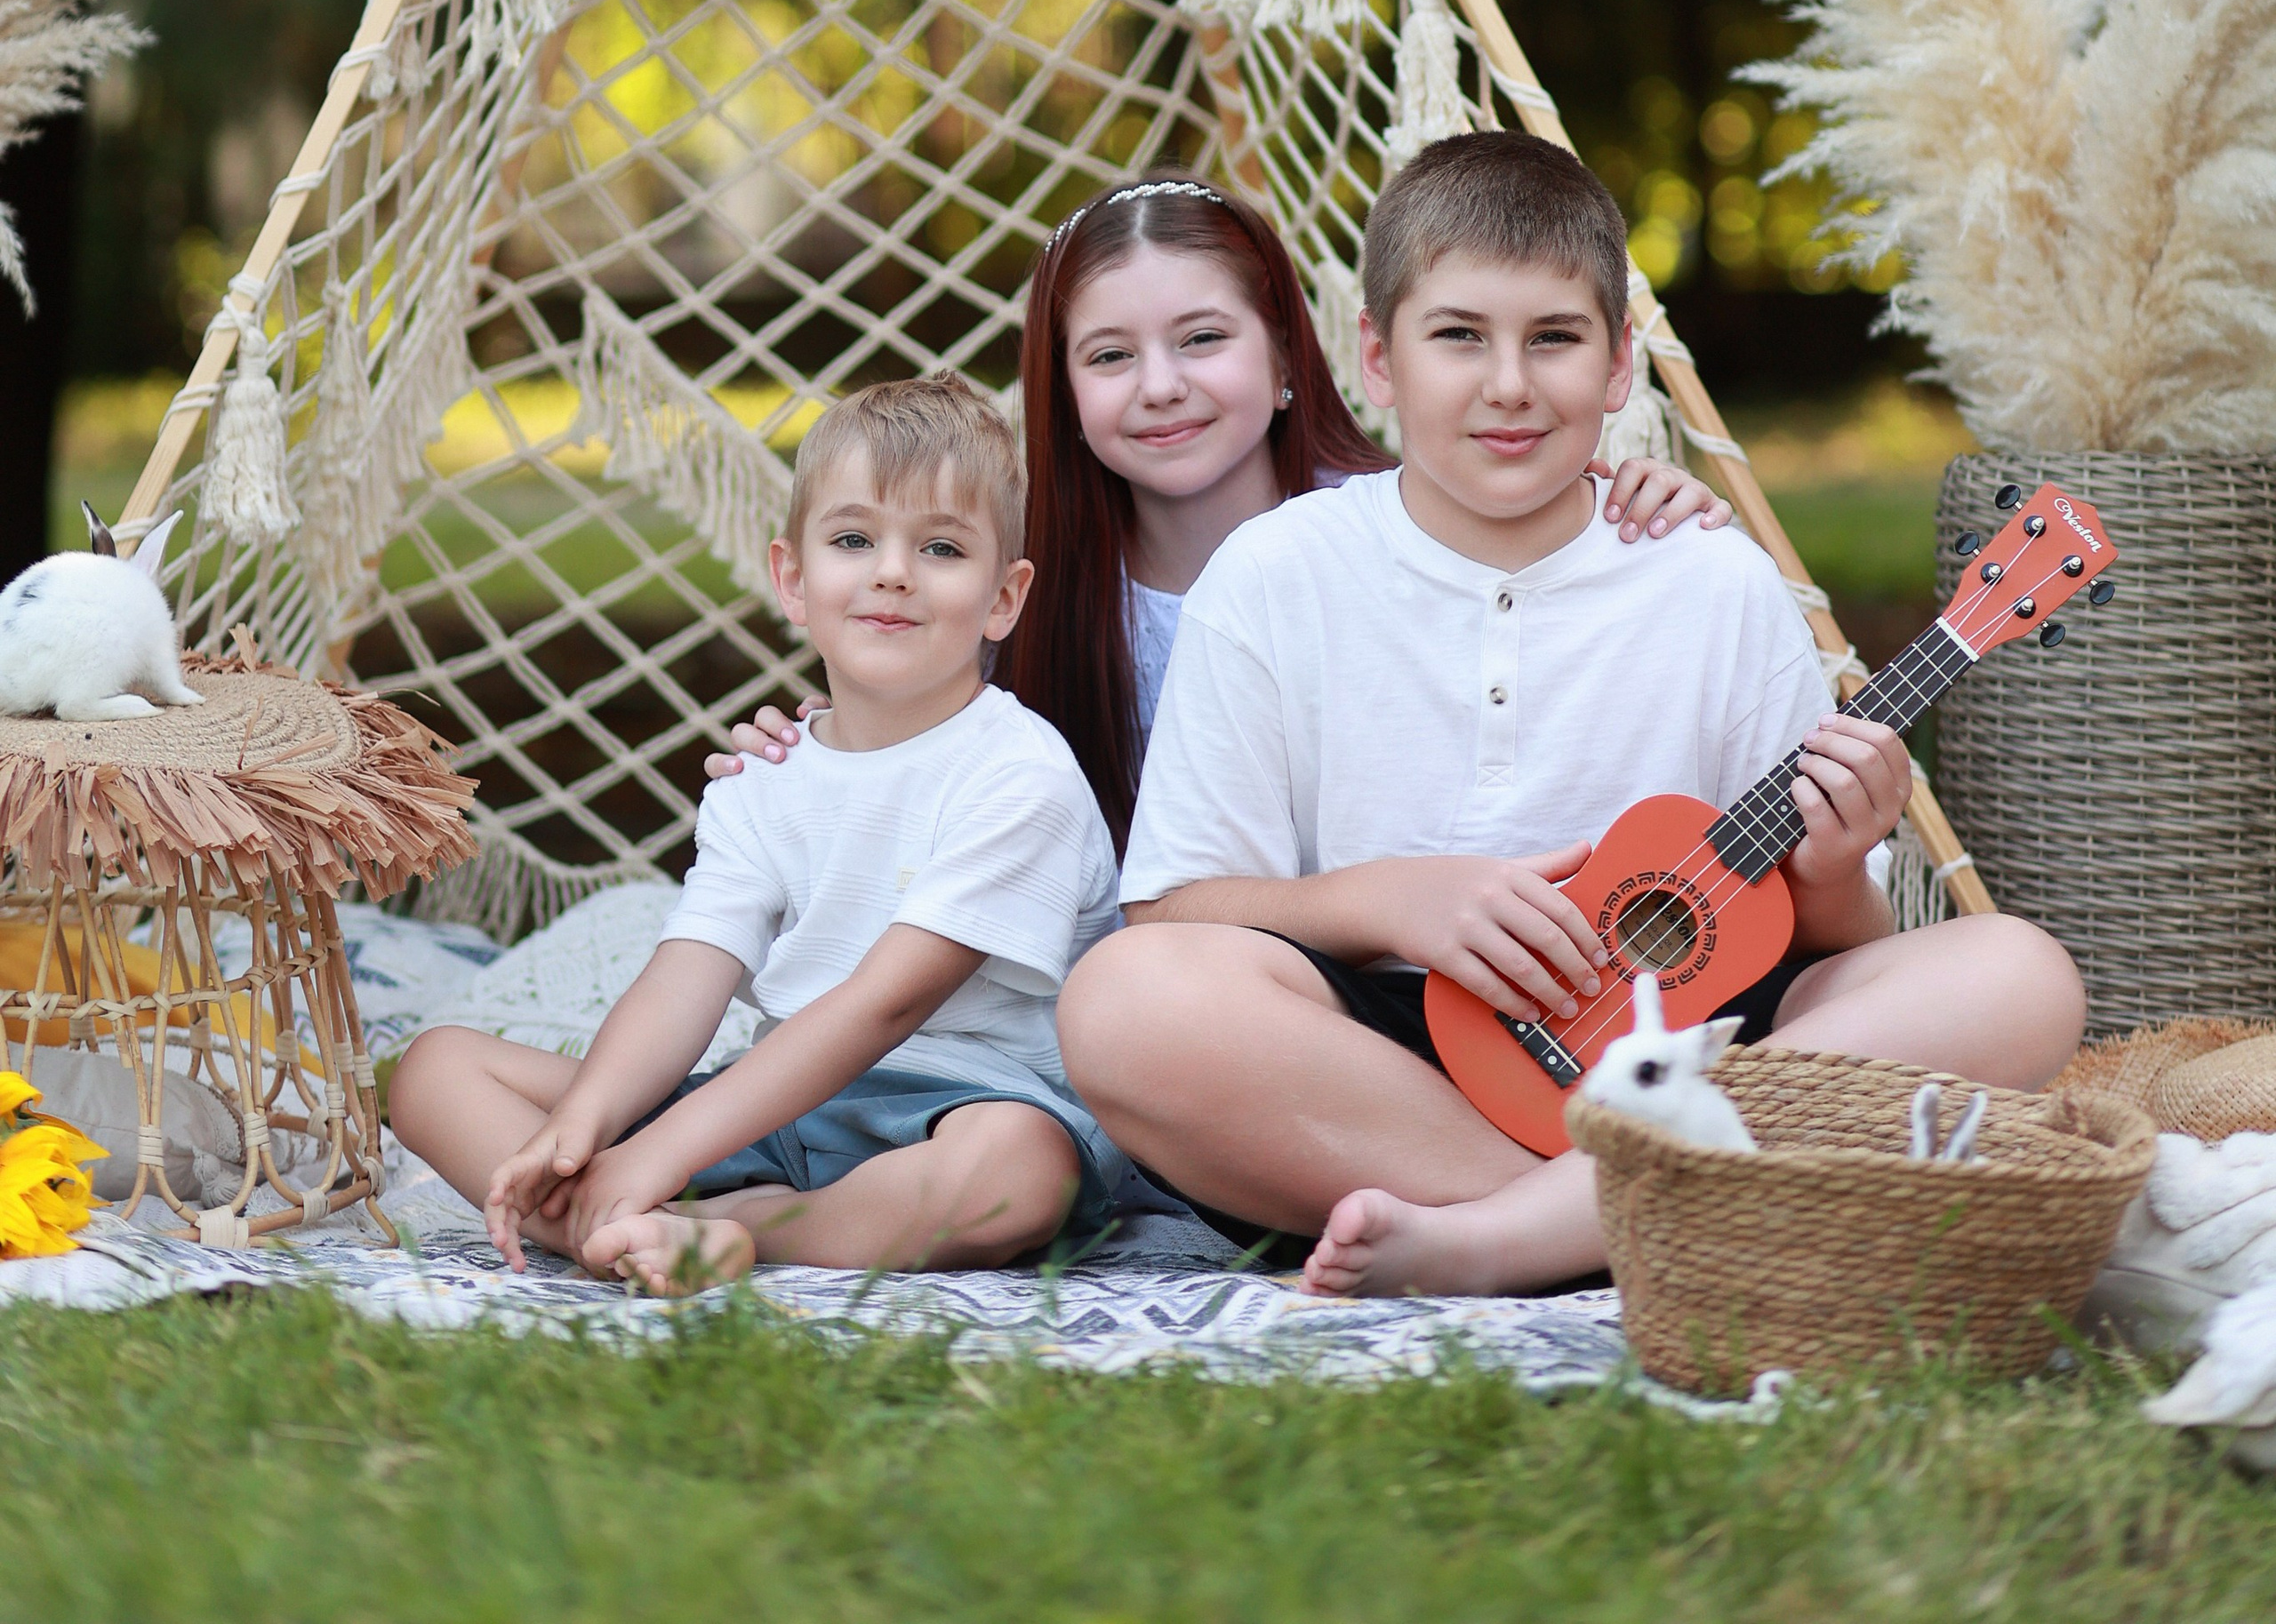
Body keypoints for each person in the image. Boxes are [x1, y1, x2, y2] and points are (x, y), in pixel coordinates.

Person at [1054, 132, 2088, 1293]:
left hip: (1684, 1049)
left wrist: (1839, 865)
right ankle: (1633, 1220)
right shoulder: (1278, 573)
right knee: (1124, 1002)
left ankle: (1506, 1242)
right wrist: (1394, 900)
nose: (1508, 385)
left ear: (1616, 369)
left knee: (2017, 974)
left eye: (1553, 338)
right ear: (1377, 359)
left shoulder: (1710, 578)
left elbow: (1827, 951)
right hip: (1389, 1071)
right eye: (1458, 337)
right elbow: (1181, 906)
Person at [387, 375, 1134, 1290]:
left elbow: (883, 1007)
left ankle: (727, 1227)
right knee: (435, 1070)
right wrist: (586, 1125)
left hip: (960, 1106)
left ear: (1001, 599)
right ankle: (630, 1220)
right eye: (854, 539)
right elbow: (689, 973)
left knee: (1017, 1175)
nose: (891, 570)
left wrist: (653, 1156)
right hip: (770, 1107)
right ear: (792, 577)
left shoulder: (1019, 773)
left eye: (940, 547)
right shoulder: (763, 777)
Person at [710, 179, 1733, 846]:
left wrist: (1606, 498)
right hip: (1154, 998)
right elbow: (904, 753)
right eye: (1110, 356)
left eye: (1202, 340)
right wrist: (809, 754)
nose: (1160, 386)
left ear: (1287, 354)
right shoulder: (1018, 592)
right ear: (1062, 391)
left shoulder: (1399, 537)